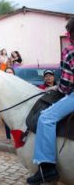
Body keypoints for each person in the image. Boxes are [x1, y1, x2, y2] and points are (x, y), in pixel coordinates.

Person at [27, 17, 74, 184]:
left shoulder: (69, 50)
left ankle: (47, 169)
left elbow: (67, 85)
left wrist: (58, 89)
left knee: (46, 118)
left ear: (70, 34)